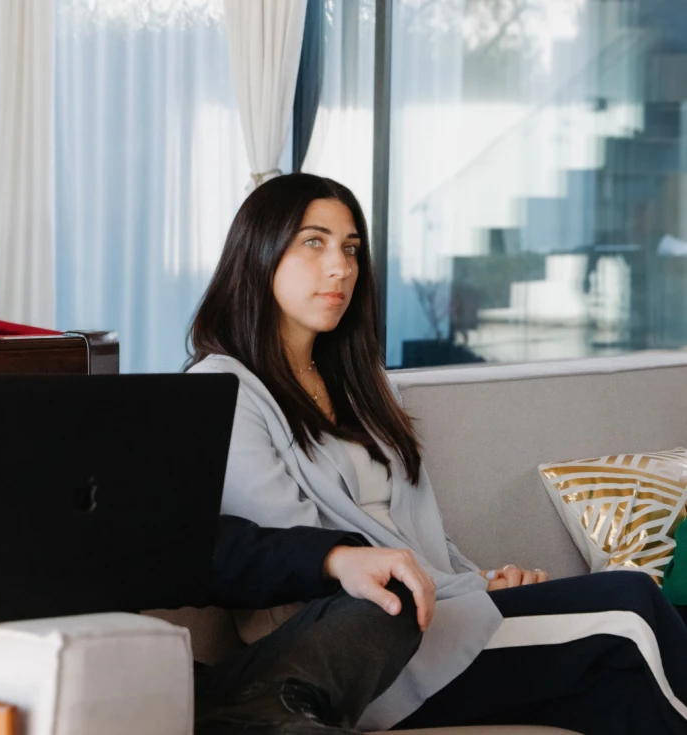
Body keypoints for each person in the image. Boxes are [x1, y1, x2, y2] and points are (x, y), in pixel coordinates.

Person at [0, 181, 434, 733]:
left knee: (385, 601)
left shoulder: (40, 417)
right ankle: (269, 718)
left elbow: (177, 542)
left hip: (139, 686)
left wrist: (334, 556)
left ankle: (262, 714)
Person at [186, 172, 687, 735]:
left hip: (444, 610)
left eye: (351, 248)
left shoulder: (362, 384)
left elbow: (422, 535)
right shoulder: (225, 388)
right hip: (359, 650)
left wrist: (483, 578)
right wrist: (465, 590)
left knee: (620, 693)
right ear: (258, 252)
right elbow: (298, 551)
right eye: (314, 242)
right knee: (630, 600)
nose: (341, 267)